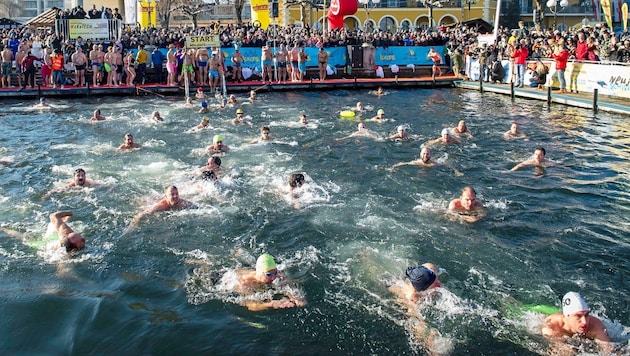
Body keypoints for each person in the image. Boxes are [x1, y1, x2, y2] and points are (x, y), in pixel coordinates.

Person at [541, 292, 612, 352]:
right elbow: (562, 352)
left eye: (586, 315)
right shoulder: (551, 326)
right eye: (578, 316)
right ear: (567, 315)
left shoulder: (596, 325)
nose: (585, 322)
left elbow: (610, 351)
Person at [236, 253, 307, 311]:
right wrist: (272, 304)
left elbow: (289, 283)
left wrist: (295, 298)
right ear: (260, 273)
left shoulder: (276, 274)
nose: (273, 277)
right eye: (269, 275)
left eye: (275, 273)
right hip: (240, 273)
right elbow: (251, 305)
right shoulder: (245, 283)